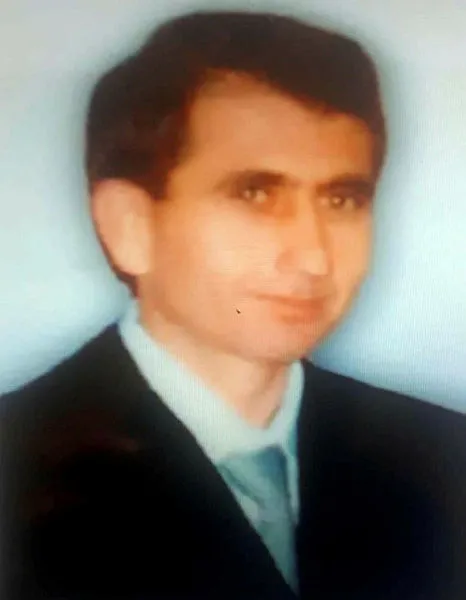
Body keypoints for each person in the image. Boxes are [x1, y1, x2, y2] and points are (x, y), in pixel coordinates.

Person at [2, 9, 466, 600]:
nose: (313, 258)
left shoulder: (446, 458)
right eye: (255, 194)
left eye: (342, 201)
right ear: (129, 226)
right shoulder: (15, 471)